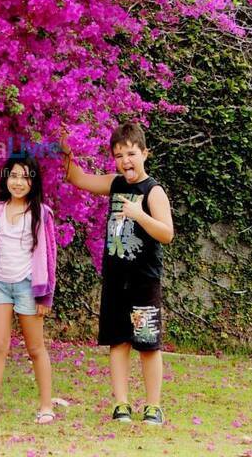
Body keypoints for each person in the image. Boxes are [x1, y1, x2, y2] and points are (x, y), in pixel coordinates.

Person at [61, 121, 174, 425]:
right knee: (118, 342)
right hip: (115, 281)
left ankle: (153, 406)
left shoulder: (154, 191)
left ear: (145, 154)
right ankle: (121, 404)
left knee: (148, 345)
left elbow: (167, 233)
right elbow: (77, 178)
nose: (126, 160)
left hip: (143, 281)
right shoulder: (115, 183)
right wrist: (65, 147)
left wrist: (139, 215)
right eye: (119, 154)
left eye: (132, 153)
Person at [0, 154, 57, 425]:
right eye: (14, 175)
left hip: (28, 286)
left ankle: (46, 406)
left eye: (25, 177)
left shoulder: (42, 213)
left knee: (36, 348)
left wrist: (45, 294)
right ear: (6, 178)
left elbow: (49, 256)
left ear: (33, 181)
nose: (18, 182)